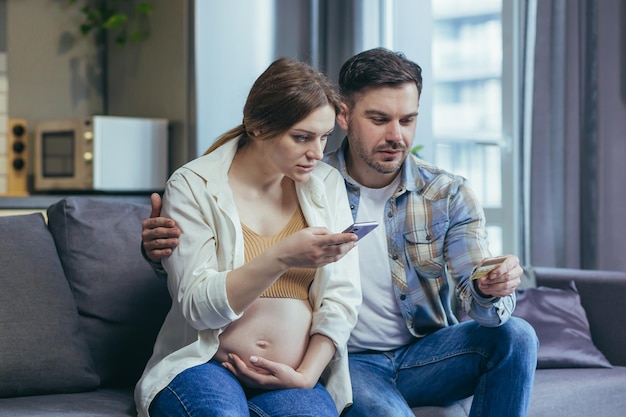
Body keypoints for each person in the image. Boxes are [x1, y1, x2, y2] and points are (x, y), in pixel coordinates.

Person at [142, 48, 538, 417]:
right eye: (380, 119)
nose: (396, 136)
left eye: (408, 120)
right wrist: (160, 256)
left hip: (415, 354)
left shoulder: (442, 193)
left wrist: (490, 287)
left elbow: (473, 292)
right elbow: (202, 272)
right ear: (345, 116)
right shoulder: (304, 176)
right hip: (338, 360)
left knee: (516, 335)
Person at [135, 57, 363, 417]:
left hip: (294, 374)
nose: (317, 153)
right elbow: (197, 307)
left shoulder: (326, 184)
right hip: (205, 363)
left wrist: (306, 376)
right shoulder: (193, 184)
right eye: (302, 137)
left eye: (324, 138)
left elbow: (341, 298)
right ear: (257, 127)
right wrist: (282, 256)